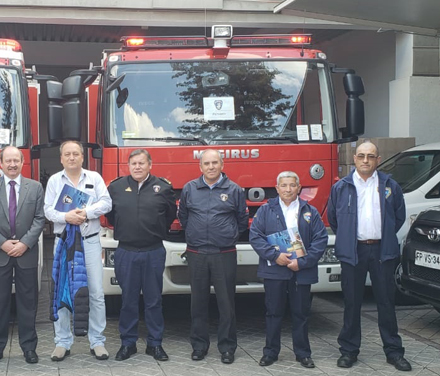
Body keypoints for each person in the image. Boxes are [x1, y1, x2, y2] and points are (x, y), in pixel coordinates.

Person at [327, 141, 411, 371]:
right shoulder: (341, 187)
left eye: (370, 156)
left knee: (386, 302)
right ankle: (349, 351)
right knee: (352, 302)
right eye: (361, 156)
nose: (366, 160)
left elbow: (398, 217)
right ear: (354, 158)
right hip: (353, 251)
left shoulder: (390, 186)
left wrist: (380, 236)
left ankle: (394, 352)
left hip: (382, 251)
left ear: (378, 159)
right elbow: (334, 219)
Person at [249, 171, 328, 368]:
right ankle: (270, 352)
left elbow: (321, 239)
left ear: (299, 188)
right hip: (275, 269)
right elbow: (255, 236)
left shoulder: (310, 211)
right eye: (283, 185)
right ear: (277, 188)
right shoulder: (266, 210)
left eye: (292, 185)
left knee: (300, 313)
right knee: (273, 312)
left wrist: (303, 262)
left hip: (301, 270)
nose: (288, 189)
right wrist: (275, 256)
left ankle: (303, 353)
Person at [177, 149, 247, 364]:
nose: (210, 167)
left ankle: (227, 347)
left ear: (222, 164)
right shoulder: (190, 188)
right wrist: (195, 236)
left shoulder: (234, 189)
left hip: (223, 253)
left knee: (226, 304)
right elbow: (183, 217)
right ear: (200, 167)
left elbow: (242, 219)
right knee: (198, 303)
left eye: (214, 163)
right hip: (197, 253)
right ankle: (199, 346)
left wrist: (228, 236)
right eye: (206, 163)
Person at [44, 140, 112, 361]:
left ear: (83, 157)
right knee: (62, 290)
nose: (72, 157)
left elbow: (106, 203)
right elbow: (48, 210)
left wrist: (86, 212)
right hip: (63, 242)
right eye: (67, 154)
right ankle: (62, 342)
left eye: (76, 154)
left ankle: (97, 340)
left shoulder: (94, 178)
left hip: (90, 241)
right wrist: (66, 217)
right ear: (61, 158)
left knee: (95, 292)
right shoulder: (55, 180)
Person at [106, 149, 176, 361]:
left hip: (153, 251)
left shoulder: (163, 188)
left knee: (154, 300)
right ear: (129, 166)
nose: (137, 167)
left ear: (150, 165)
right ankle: (128, 343)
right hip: (126, 251)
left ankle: (155, 344)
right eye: (134, 163)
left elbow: (170, 216)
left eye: (141, 163)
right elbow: (110, 216)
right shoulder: (116, 187)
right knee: (128, 300)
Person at [0, 146, 45, 366]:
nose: (12, 164)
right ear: (0, 163)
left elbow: (39, 219)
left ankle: (29, 347)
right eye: (8, 161)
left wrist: (25, 243)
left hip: (26, 253)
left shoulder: (35, 187)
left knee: (28, 303)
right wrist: (3, 243)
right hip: (0, 253)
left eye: (16, 160)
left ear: (22, 161)